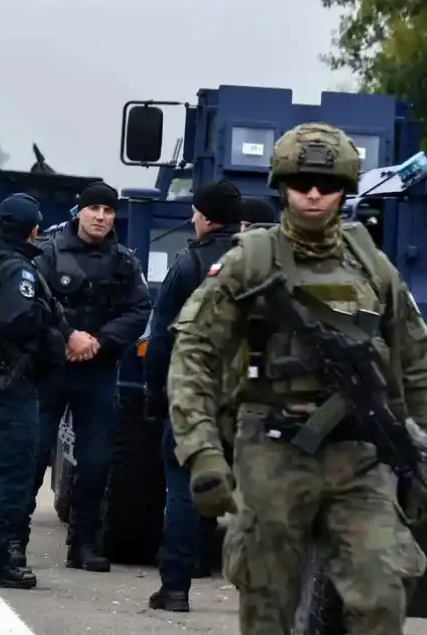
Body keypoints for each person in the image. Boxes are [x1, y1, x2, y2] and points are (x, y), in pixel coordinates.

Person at [169, 122, 427, 634]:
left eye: (327, 185)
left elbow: (414, 363)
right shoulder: (250, 260)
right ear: (281, 186)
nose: (313, 194)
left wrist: (419, 449)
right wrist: (202, 452)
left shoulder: (373, 266)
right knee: (268, 606)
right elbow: (194, 355)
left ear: (344, 191)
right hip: (273, 448)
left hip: (360, 454)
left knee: (383, 594)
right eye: (301, 182)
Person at [23, 182, 152, 572]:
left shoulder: (124, 261)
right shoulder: (47, 253)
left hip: (97, 372)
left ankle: (82, 544)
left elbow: (139, 309)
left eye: (108, 211)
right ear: (79, 211)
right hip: (52, 370)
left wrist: (99, 341)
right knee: (31, 459)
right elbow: (30, 304)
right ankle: (14, 540)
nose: (101, 217)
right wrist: (66, 338)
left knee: (96, 463)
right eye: (94, 208)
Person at [142, 180, 243, 612]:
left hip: (195, 396)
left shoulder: (188, 263)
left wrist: (154, 392)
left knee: (183, 487)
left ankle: (177, 587)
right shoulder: (260, 264)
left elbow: (161, 336)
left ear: (203, 216)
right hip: (251, 397)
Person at [0, 194, 67, 589]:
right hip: (12, 381)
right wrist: (51, 316)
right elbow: (20, 319)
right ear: (34, 231)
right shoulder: (17, 271)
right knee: (12, 473)